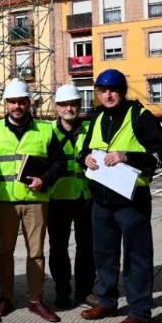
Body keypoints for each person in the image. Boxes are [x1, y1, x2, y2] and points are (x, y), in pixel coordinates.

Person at [77, 69, 162, 323]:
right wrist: (84, 158)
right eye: (103, 90)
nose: (108, 95)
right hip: (101, 201)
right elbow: (84, 151)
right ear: (97, 93)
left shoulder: (141, 116)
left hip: (132, 201)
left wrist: (127, 156)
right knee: (104, 255)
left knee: (137, 258)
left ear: (123, 91)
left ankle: (140, 312)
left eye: (114, 90)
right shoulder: (96, 117)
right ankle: (107, 301)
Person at [0, 79, 66, 323]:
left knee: (36, 253)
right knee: (5, 252)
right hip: (4, 201)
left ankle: (35, 300)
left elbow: (60, 163)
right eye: (12, 102)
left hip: (35, 200)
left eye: (21, 101)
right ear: (6, 104)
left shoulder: (45, 129)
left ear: (28, 103)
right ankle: (6, 297)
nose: (17, 106)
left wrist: (44, 179)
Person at [48, 84, 97, 310]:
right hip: (57, 198)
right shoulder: (48, 131)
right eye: (64, 104)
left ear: (79, 105)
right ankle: (62, 291)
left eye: (74, 104)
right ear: (56, 107)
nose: (69, 108)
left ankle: (85, 291)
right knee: (58, 248)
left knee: (86, 247)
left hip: (85, 197)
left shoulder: (91, 129)